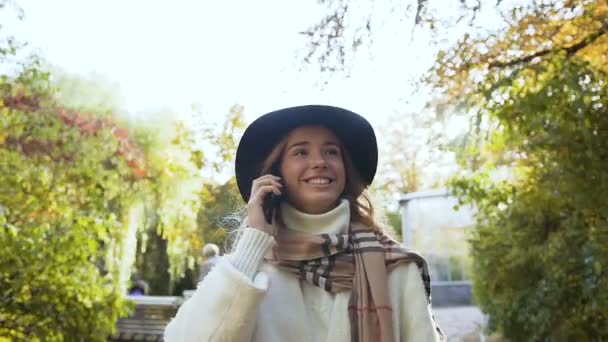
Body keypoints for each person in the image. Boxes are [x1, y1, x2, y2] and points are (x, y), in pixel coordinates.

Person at [164, 105, 444, 341]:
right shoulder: (252, 267)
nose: (319, 162)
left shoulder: (395, 266)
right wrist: (253, 242)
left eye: (331, 152)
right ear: (276, 171)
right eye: (300, 152)